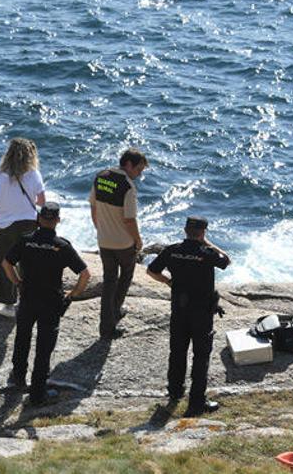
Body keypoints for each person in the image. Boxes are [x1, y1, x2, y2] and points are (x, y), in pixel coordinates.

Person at [2, 202, 90, 404]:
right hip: (51, 302)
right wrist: (71, 295)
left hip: (28, 297)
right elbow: (85, 275)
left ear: (39, 219)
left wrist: (17, 282)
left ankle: (18, 377)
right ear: (57, 220)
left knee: (22, 337)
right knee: (44, 348)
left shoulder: (26, 241)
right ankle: (37, 394)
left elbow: (6, 263)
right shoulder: (62, 246)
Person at [146, 216, 231, 417]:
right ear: (203, 233)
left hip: (179, 310)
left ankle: (175, 392)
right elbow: (226, 260)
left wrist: (169, 282)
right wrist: (207, 243)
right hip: (202, 312)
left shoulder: (172, 250)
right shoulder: (206, 252)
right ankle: (196, 403)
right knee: (201, 357)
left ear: (185, 230)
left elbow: (151, 271)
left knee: (177, 352)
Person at [89, 148, 147, 340]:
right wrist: (137, 241)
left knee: (109, 281)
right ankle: (113, 316)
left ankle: (107, 322)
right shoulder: (127, 186)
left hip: (104, 240)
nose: (140, 174)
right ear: (128, 164)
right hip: (123, 244)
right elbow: (129, 220)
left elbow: (93, 206)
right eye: (139, 169)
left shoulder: (100, 177)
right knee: (126, 276)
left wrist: (100, 229)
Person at [0, 137, 46, 319]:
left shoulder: (0, 174)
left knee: (7, 263)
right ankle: (26, 301)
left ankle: (8, 305)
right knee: (28, 264)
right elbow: (41, 201)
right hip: (28, 223)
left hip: (6, 225)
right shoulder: (34, 174)